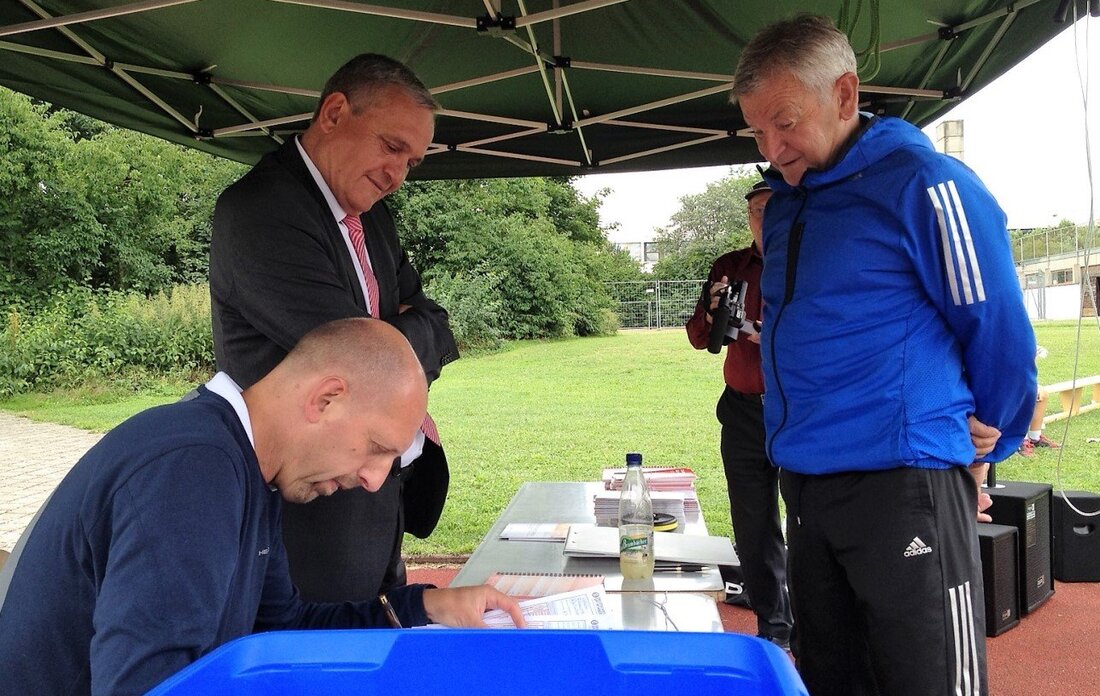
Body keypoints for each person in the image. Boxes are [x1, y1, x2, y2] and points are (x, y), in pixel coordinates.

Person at [731, 15, 1036, 696]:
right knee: (835, 679)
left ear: (844, 94)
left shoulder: (925, 182)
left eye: (784, 122)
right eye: (757, 132)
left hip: (905, 483)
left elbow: (997, 326)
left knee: (928, 682)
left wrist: (995, 432)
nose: (773, 148)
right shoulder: (785, 205)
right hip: (807, 487)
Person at [0, 318, 524, 696]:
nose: (373, 479)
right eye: (377, 448)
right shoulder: (193, 467)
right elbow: (144, 684)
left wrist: (428, 607)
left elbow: (281, 628)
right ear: (326, 399)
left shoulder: (251, 468)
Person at [210, 54, 458, 602]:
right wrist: (388, 337)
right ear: (334, 113)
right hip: (303, 519)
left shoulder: (372, 215)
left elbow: (437, 324)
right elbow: (358, 359)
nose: (398, 175)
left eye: (412, 162)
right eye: (392, 147)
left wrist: (390, 338)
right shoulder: (262, 211)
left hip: (373, 502)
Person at [685, 179, 793, 650]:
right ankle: (775, 628)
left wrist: (763, 334)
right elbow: (697, 336)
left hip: (799, 413)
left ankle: (817, 624)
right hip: (744, 411)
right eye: (753, 210)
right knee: (753, 524)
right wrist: (713, 315)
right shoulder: (730, 266)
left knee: (810, 521)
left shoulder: (809, 261)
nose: (761, 218)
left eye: (770, 208)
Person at [1018, 346, 1060, 456]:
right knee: (1025, 395)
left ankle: (1035, 437)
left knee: (1042, 394)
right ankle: (1021, 440)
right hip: (1004, 386)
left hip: (1021, 381)